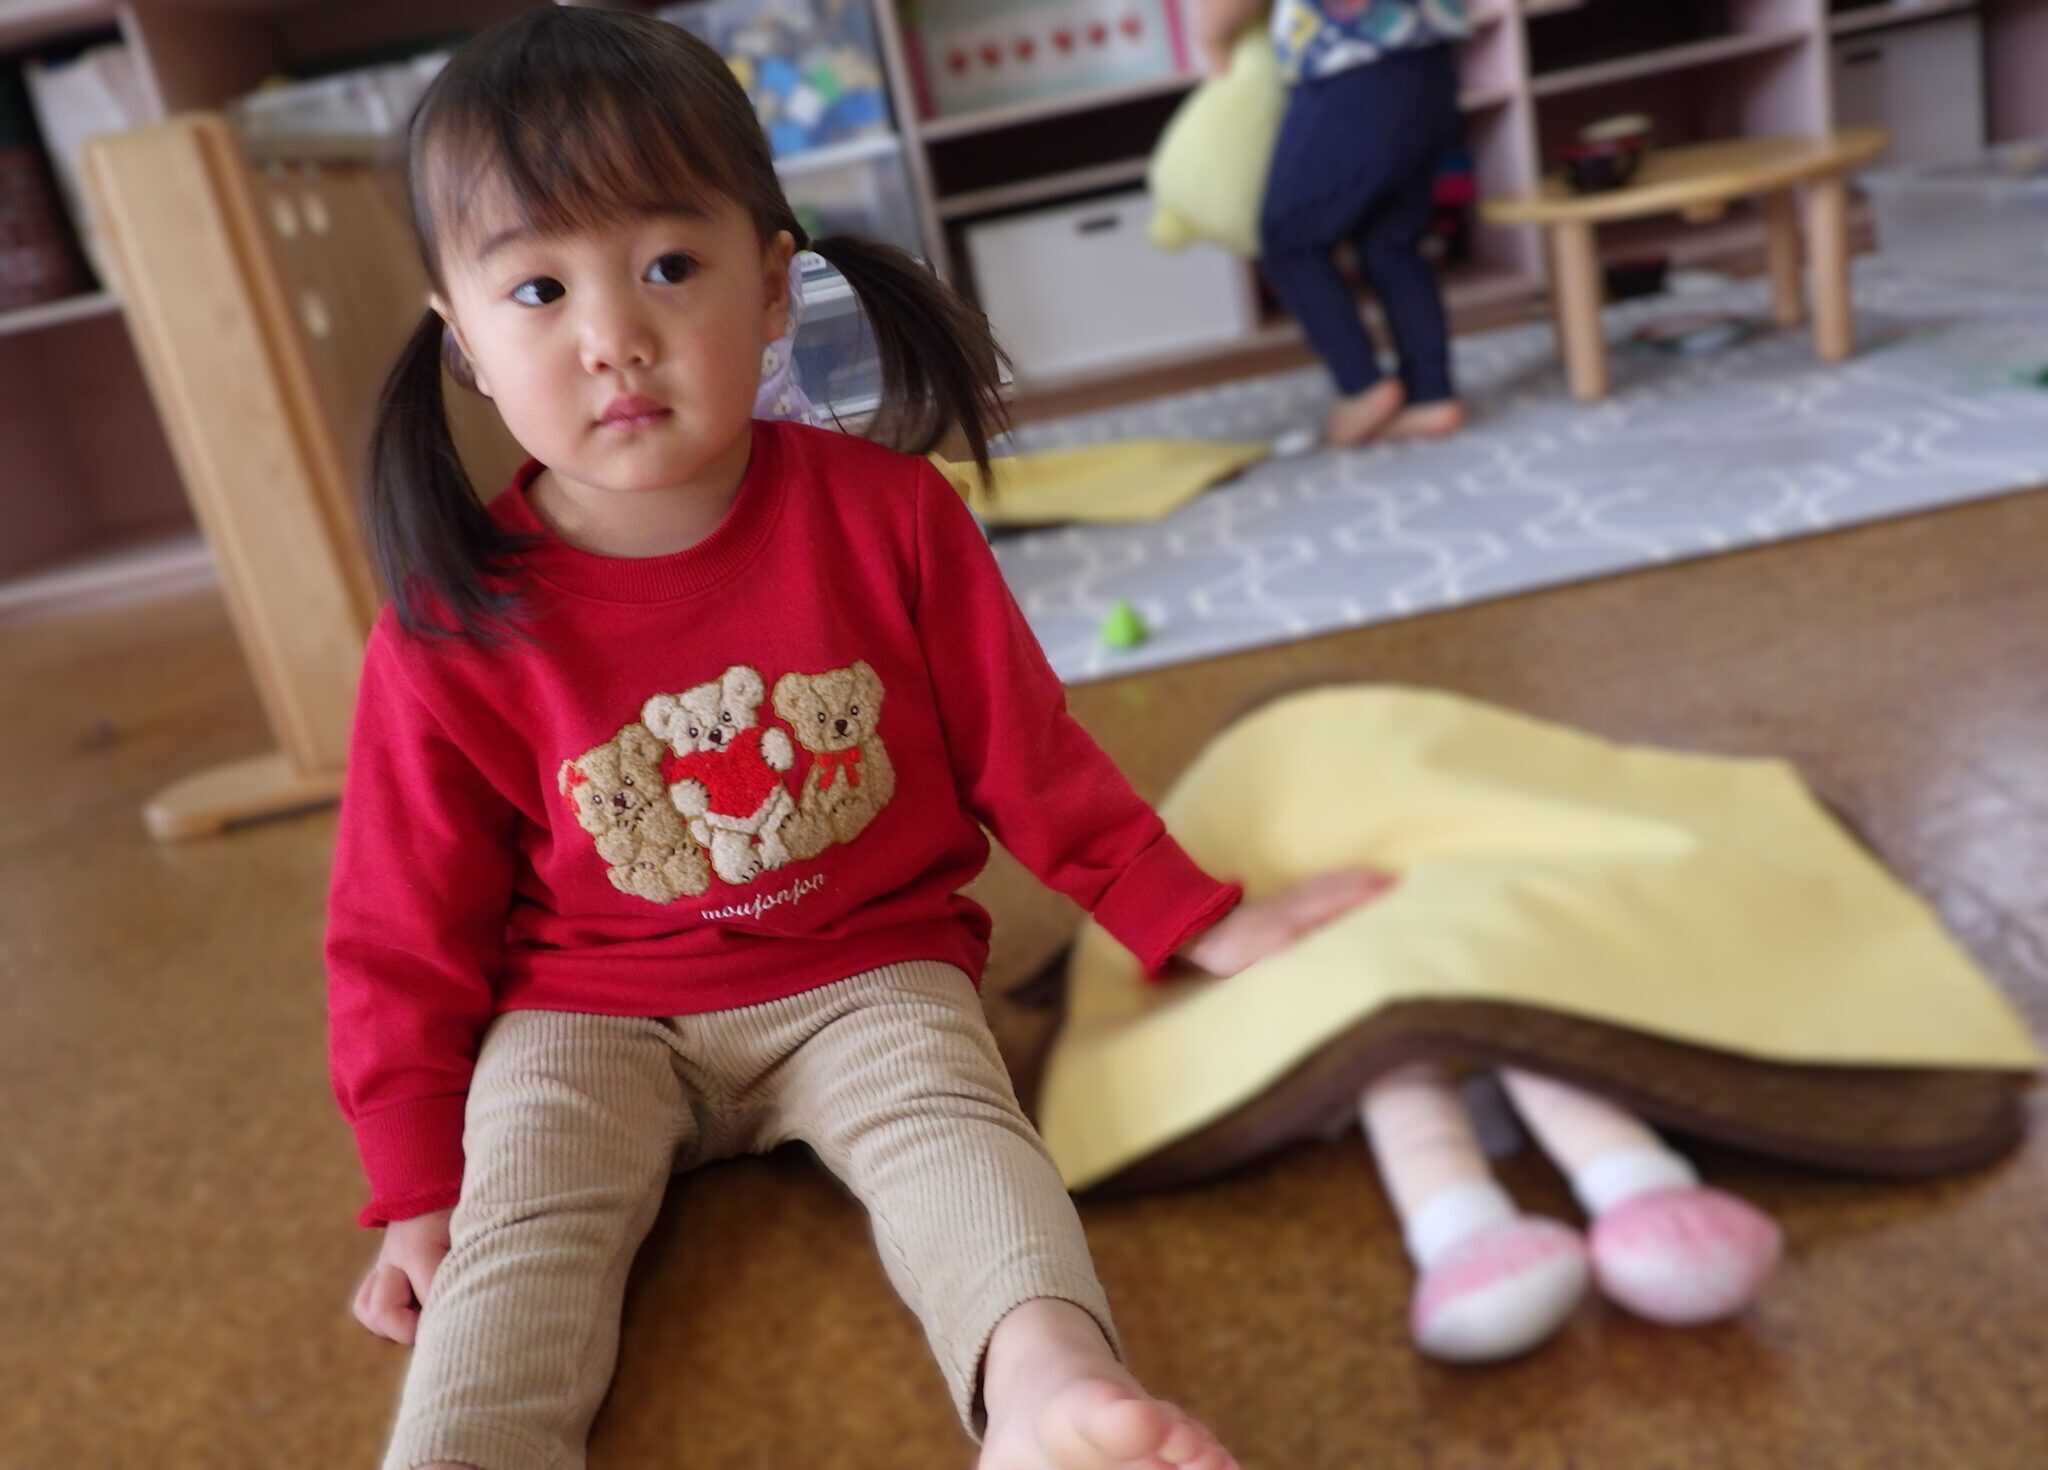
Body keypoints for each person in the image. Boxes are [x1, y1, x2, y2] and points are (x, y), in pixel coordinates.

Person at [328, 11, 1394, 1469]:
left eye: (668, 265)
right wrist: (412, 1179)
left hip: (865, 973)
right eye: (537, 286)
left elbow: (1028, 753)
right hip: (585, 1011)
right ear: (463, 340)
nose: (612, 335)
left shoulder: (891, 516)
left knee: (966, 1146)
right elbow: (401, 923)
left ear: (773, 287)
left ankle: (1051, 1394)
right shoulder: (451, 623)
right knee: (512, 1241)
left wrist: (1192, 918)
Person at [1199, 0, 1472, 447]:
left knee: (1288, 237)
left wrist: (1212, 39)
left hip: (1349, 64)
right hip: (1429, 61)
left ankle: (1361, 385)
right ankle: (1431, 395)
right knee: (1393, 242)